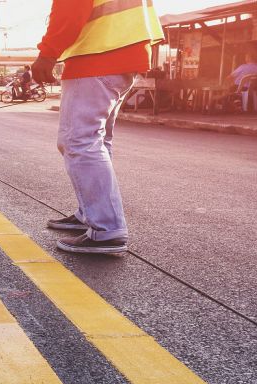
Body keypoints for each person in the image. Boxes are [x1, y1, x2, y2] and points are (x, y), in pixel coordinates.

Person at [32, 0, 163, 254]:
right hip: (122, 54)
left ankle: (106, 227)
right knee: (97, 140)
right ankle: (90, 214)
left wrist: (47, 53)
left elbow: (70, 9)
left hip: (97, 56)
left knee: (79, 141)